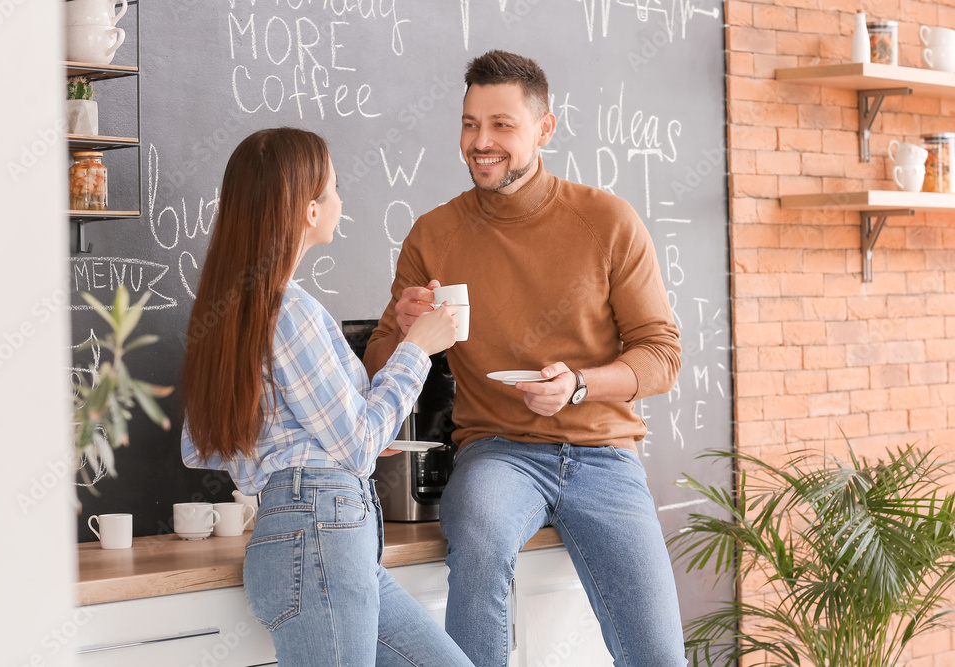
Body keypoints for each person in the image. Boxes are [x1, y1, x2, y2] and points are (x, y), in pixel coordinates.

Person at [364, 51, 687, 666]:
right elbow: (382, 367)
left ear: (545, 129)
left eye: (501, 125)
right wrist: (407, 331)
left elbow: (662, 355)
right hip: (498, 451)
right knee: (479, 542)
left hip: (604, 457)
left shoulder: (607, 221)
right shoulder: (434, 236)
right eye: (469, 124)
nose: (480, 142)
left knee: (659, 656)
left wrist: (581, 385)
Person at [180, 127, 473, 667]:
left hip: (320, 537)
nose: (342, 200)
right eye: (334, 189)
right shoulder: (291, 312)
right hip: (321, 536)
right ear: (309, 210)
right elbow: (357, 446)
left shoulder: (235, 311)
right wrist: (418, 349)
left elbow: (203, 448)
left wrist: (345, 438)